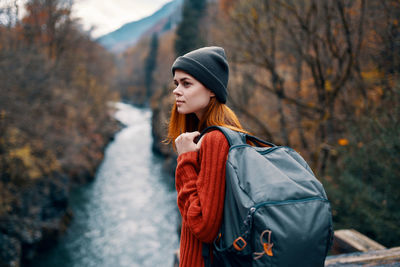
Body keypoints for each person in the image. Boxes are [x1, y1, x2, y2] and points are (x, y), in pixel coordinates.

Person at [166, 46, 248, 266]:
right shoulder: (219, 134)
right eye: (176, 83)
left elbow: (204, 227)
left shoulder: (214, 140)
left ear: (212, 89)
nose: (176, 90)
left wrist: (185, 160)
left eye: (186, 83)